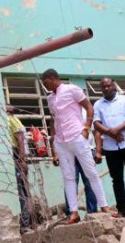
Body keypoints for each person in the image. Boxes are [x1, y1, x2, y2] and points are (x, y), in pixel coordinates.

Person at [41, 68, 109, 223]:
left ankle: (104, 206)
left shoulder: (72, 89)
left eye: (45, 83)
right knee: (69, 178)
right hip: (61, 142)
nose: (45, 87)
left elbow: (89, 107)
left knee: (90, 173)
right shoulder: (50, 98)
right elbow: (54, 120)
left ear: (52, 78)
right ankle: (73, 212)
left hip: (77, 137)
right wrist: (53, 145)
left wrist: (86, 128)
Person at [93, 77, 125, 217]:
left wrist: (116, 130)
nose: (106, 88)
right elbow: (96, 124)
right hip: (110, 148)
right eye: (103, 86)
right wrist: (112, 133)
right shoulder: (98, 104)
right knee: (117, 180)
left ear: (114, 86)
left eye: (108, 86)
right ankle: (122, 211)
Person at [6, 108, 33, 229]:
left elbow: (20, 138)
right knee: (20, 189)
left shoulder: (12, 120)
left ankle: (26, 221)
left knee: (22, 189)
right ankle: (26, 220)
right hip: (12, 154)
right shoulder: (8, 120)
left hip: (16, 154)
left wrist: (21, 159)